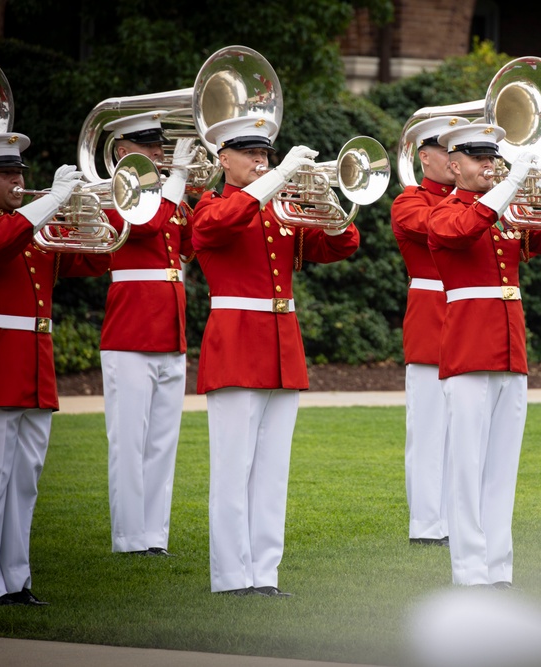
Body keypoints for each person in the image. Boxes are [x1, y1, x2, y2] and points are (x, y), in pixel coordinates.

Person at [192, 116, 360, 596]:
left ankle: (264, 574)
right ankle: (230, 577)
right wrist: (278, 177)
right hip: (237, 342)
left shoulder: (279, 209)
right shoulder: (212, 204)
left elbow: (342, 244)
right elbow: (217, 227)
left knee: (271, 472)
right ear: (223, 159)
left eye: (264, 153)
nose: (259, 160)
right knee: (233, 469)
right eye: (249, 154)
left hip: (282, 344)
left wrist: (325, 201)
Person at [428, 123, 541, 587]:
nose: (490, 165)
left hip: (511, 352)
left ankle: (498, 568)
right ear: (454, 166)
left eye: (492, 158)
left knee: (501, 469)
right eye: (479, 159)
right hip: (469, 351)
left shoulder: (506, 212)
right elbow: (464, 228)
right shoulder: (444, 212)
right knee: (467, 466)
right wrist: (512, 185)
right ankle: (470, 571)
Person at [0, 133, 110, 606]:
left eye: (20, 174)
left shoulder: (26, 225)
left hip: (34, 367)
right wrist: (51, 200)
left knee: (23, 483)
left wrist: (85, 208)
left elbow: (97, 257)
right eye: (5, 173)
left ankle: (14, 580)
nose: (17, 180)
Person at [99, 111, 196, 557]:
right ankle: (128, 538)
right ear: (122, 151)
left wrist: (195, 192)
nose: (159, 152)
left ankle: (154, 537)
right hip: (131, 333)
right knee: (129, 441)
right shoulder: (117, 194)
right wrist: (175, 181)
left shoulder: (167, 198)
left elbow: (191, 245)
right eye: (147, 145)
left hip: (169, 331)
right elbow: (146, 225)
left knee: (161, 444)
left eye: (160, 145)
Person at [391, 115, 470, 547]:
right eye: (449, 151)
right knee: (427, 430)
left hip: (472, 318)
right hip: (430, 317)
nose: (457, 160)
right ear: (425, 156)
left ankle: (458, 518)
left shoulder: (474, 201)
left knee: (466, 431)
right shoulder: (409, 202)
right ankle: (426, 524)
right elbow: (442, 227)